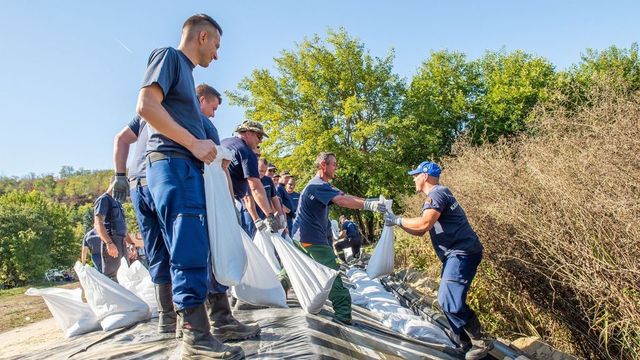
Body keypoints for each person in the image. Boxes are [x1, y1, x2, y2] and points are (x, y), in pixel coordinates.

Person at [135, 14, 244, 359]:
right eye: (216, 45)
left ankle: (204, 331)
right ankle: (195, 337)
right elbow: (146, 106)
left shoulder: (186, 75)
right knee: (187, 248)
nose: (217, 54)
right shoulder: (169, 57)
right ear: (201, 36)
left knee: (195, 247)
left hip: (185, 168)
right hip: (172, 165)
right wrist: (194, 144)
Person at [383, 161, 493, 360]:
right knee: (446, 301)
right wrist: (396, 223)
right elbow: (420, 231)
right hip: (457, 253)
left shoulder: (437, 194)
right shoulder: (439, 195)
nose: (413, 178)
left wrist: (397, 220)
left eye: (415, 174)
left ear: (425, 176)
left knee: (448, 300)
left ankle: (480, 341)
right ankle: (465, 343)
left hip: (461, 252)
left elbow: (424, 223)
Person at [280, 151, 387, 325]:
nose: (336, 167)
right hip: (313, 240)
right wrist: (370, 205)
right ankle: (343, 313)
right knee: (331, 274)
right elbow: (342, 201)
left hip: (303, 237)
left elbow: (346, 197)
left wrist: (373, 201)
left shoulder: (320, 185)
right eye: (334, 164)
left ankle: (273, 290)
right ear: (323, 165)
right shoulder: (317, 185)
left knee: (292, 270)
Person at [221, 120, 277, 238]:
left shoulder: (225, 141)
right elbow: (255, 187)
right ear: (248, 133)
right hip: (227, 200)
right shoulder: (247, 153)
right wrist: (270, 215)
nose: (260, 140)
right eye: (259, 136)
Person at [93, 186, 131, 281]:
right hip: (112, 241)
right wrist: (109, 243)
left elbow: (123, 225)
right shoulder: (103, 200)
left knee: (125, 273)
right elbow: (98, 223)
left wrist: (131, 243)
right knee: (112, 276)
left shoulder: (117, 202)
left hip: (121, 242)